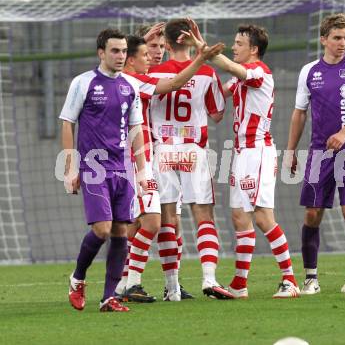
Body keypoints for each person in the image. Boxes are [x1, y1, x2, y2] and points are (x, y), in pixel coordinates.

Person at [60, 28, 224, 312]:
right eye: (115, 51)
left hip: (126, 166)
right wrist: (69, 167)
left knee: (123, 231)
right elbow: (67, 122)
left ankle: (112, 295)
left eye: (124, 51)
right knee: (104, 229)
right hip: (94, 166)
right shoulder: (83, 83)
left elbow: (136, 129)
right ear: (101, 53)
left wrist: (140, 170)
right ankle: (80, 278)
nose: (120, 56)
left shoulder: (129, 86)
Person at [180, 21, 300, 298]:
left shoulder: (259, 72)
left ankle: (289, 280)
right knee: (239, 218)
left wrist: (207, 52)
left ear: (254, 49)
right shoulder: (242, 78)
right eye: (233, 43)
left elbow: (233, 69)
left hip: (257, 151)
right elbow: (218, 94)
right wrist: (198, 56)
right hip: (241, 153)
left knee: (262, 217)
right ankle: (239, 285)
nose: (234, 47)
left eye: (239, 44)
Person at [286, 13, 345, 294]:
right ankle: (311, 278)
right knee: (312, 214)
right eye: (337, 37)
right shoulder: (309, 71)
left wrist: (344, 133)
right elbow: (299, 114)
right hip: (319, 152)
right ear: (324, 39)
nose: (342, 43)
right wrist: (290, 151)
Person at [148, 18, 231, 301]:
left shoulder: (152, 72)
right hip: (193, 151)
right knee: (203, 216)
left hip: (163, 151)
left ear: (168, 44)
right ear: (190, 39)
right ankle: (209, 278)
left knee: (168, 220)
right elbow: (218, 114)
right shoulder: (206, 72)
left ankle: (172, 288)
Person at [115, 25, 193, 302]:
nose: (155, 52)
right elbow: (170, 84)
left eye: (161, 46)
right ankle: (125, 281)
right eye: (150, 47)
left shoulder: (143, 77)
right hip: (139, 159)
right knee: (147, 222)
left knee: (161, 223)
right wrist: (201, 60)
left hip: (164, 157)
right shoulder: (133, 80)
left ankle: (166, 285)